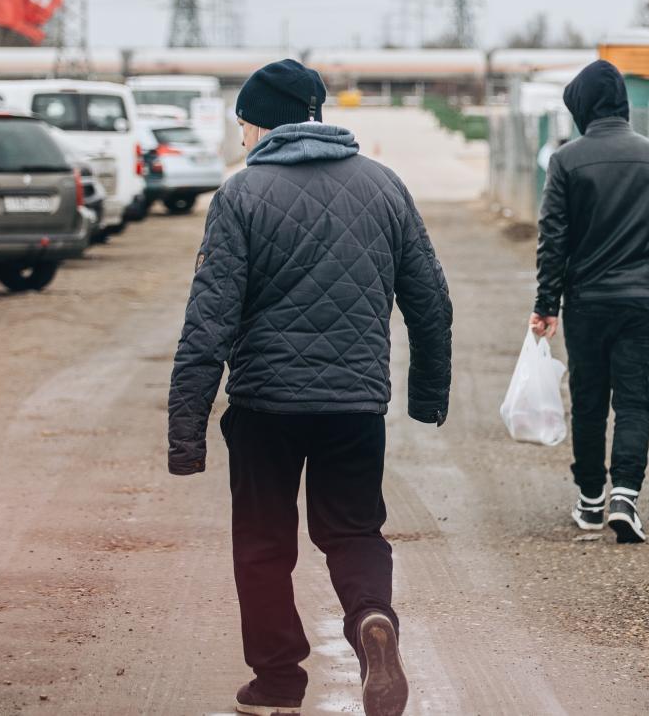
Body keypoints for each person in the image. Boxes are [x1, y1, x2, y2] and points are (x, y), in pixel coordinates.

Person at [167, 59, 453, 716]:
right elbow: (430, 300)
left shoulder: (241, 195)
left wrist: (187, 430)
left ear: (261, 122)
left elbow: (209, 321)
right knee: (354, 531)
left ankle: (276, 684)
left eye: (243, 125)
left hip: (265, 405)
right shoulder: (384, 186)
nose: (242, 140)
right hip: (354, 405)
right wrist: (427, 394)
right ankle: (372, 620)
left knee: (264, 542)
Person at [532, 59, 649, 544]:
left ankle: (589, 501)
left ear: (583, 106)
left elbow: (553, 238)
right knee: (635, 402)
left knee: (587, 401)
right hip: (643, 302)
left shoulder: (566, 160)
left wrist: (547, 303)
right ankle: (625, 494)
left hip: (585, 302)